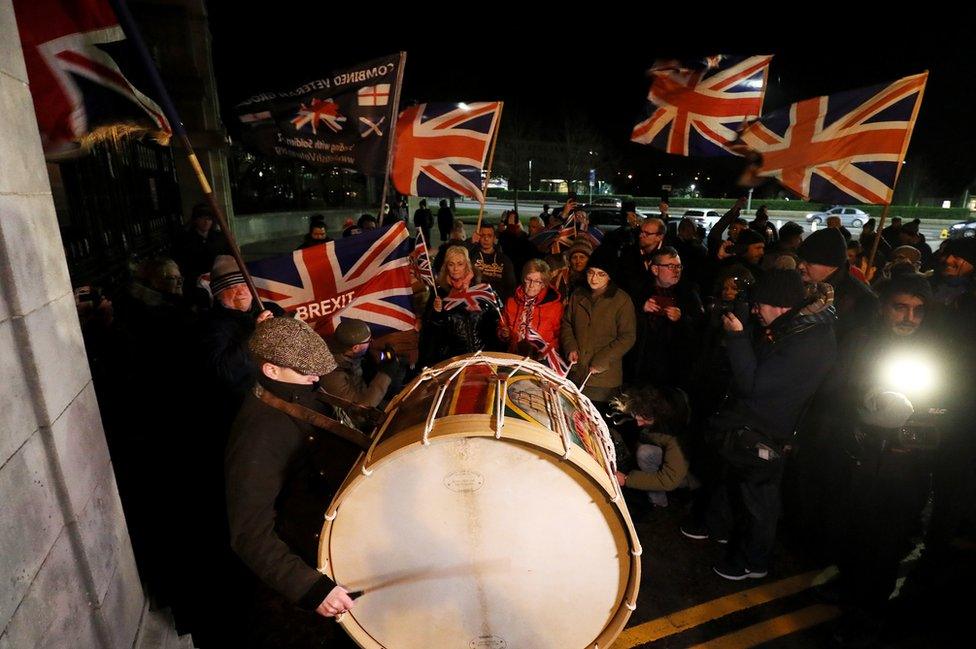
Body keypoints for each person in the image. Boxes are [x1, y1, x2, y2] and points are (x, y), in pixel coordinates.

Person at [683, 269, 837, 581]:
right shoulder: (795, 327)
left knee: (760, 501)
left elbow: (753, 383)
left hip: (769, 431)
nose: (755, 311)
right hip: (752, 426)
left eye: (759, 306)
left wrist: (738, 336)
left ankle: (752, 562)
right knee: (736, 482)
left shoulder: (808, 341)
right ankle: (719, 529)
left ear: (780, 305)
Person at [226, 317, 360, 648]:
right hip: (311, 573)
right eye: (306, 372)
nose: (316, 377)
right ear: (271, 370)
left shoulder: (301, 393)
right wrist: (311, 589)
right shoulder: (258, 435)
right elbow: (249, 534)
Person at [560, 247, 636, 406]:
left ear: (609, 277)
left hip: (603, 379)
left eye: (601, 274)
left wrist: (602, 360)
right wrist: (570, 346)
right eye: (591, 272)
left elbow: (627, 336)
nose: (594, 278)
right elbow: (567, 323)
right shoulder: (578, 294)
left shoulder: (621, 300)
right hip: (576, 372)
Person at [626, 246, 704, 389]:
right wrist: (640, 309)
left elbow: (700, 327)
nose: (676, 271)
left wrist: (681, 318)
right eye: (670, 266)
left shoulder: (689, 293)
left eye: (679, 266)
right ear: (655, 269)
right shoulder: (639, 292)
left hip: (674, 370)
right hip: (641, 366)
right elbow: (623, 323)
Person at [612, 385, 693, 508]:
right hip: (671, 460)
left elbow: (669, 479)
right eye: (636, 417)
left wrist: (627, 480)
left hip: (687, 474)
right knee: (643, 449)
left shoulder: (677, 436)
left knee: (645, 453)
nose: (638, 424)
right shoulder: (655, 407)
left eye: (644, 420)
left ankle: (659, 505)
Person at [420, 245, 501, 365]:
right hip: (453, 361)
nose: (455, 269)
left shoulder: (481, 288)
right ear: (446, 267)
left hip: (483, 358)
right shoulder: (439, 293)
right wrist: (436, 314)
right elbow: (430, 334)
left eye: (460, 264)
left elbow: (495, 323)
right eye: (451, 264)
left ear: (467, 265)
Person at [797, 228, 877, 344]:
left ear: (832, 265)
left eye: (809, 262)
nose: (800, 266)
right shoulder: (804, 285)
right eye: (801, 260)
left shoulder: (861, 299)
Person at [320, 318, 405, 425]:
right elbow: (361, 411)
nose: (372, 342)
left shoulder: (348, 354)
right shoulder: (332, 375)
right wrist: (385, 374)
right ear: (355, 347)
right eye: (368, 341)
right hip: (358, 422)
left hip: (367, 398)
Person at [498, 260, 563, 357]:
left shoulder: (555, 306)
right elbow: (501, 326)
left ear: (544, 284)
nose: (532, 285)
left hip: (542, 358)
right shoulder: (511, 301)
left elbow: (560, 337)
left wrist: (545, 352)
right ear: (523, 279)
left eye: (537, 281)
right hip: (514, 354)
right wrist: (504, 333)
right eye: (528, 279)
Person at [472, 224, 516, 301]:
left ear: (494, 238)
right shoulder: (472, 255)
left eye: (489, 235)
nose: (486, 238)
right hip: (475, 298)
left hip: (497, 300)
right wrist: (471, 242)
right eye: (482, 235)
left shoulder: (504, 259)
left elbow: (511, 286)